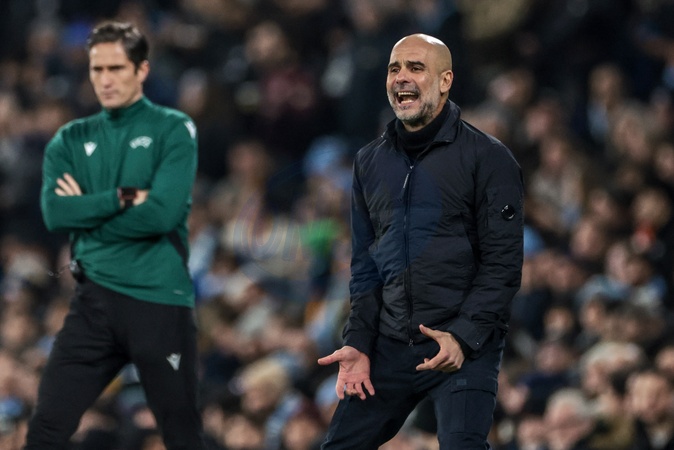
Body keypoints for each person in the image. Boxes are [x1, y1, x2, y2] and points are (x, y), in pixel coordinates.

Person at [318, 33, 524, 449]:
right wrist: (358, 342)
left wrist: (463, 335)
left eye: (416, 68)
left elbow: (503, 264)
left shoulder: (488, 157)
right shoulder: (369, 161)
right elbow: (366, 267)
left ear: (445, 81)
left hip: (461, 347)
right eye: (394, 69)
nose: (401, 77)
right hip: (390, 346)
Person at [24, 21, 206, 449]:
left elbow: (161, 215)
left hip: (157, 302)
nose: (105, 80)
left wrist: (87, 212)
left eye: (116, 68)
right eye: (97, 69)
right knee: (46, 426)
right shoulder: (70, 139)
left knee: (181, 433)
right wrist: (122, 197)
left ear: (142, 70)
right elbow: (55, 213)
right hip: (93, 304)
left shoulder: (173, 128)